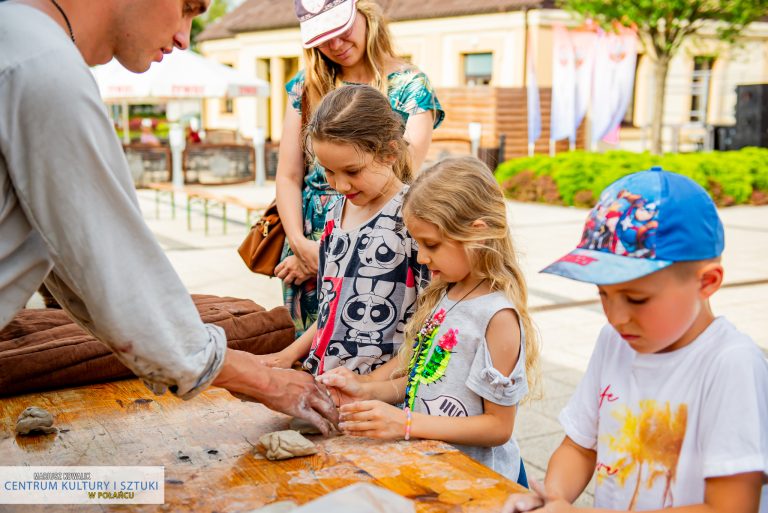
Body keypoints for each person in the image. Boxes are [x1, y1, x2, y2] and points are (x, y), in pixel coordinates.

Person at [0, 0, 336, 434]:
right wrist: (259, 377)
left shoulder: (17, 38)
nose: (184, 36)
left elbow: (79, 267)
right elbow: (115, 270)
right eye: (187, 7)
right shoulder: (42, 68)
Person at [504, 167, 768, 512]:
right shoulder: (614, 340)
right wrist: (553, 497)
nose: (616, 317)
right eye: (603, 295)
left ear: (707, 282)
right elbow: (581, 447)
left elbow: (730, 506)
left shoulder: (732, 364)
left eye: (637, 299)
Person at [316, 156, 542, 485]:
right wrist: (364, 390)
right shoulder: (444, 294)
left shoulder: (498, 317)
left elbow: (498, 427)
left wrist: (405, 424)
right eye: (418, 243)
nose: (421, 257)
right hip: (435, 470)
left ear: (477, 232)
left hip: (477, 484)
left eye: (431, 244)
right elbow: (419, 382)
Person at [274, 0, 445, 337]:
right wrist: (300, 244)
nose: (335, 45)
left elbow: (403, 173)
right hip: (307, 236)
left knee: (367, 336)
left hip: (378, 238)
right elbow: (288, 174)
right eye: (323, 37)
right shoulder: (306, 84)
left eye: (342, 30)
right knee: (311, 346)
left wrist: (325, 254)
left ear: (365, 14)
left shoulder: (411, 85)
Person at [263, 84, 428, 376]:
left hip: (378, 399)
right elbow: (332, 308)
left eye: (352, 171)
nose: (340, 185)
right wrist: (289, 354)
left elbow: (429, 326)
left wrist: (370, 386)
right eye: (328, 171)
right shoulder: (333, 213)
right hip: (326, 381)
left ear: (389, 152)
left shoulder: (414, 218)